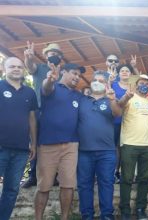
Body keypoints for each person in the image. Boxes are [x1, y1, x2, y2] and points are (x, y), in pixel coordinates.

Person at [34, 63, 85, 220]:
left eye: (79, 75)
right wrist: (49, 79)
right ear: (63, 72)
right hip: (48, 144)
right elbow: (46, 88)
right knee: (44, 186)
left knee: (68, 185)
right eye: (74, 73)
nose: (77, 77)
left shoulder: (79, 95)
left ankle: (64, 218)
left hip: (71, 145)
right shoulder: (53, 87)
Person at [77, 71, 122, 220]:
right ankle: (87, 215)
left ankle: (107, 215)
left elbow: (117, 113)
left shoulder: (110, 99)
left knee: (106, 184)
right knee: (84, 185)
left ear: (106, 83)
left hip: (107, 151)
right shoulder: (81, 99)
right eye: (95, 79)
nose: (97, 82)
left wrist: (112, 99)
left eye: (101, 80)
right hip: (83, 151)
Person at [0, 57, 38, 220]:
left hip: (21, 150)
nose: (16, 69)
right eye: (12, 66)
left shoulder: (30, 92)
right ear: (4, 69)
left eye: (19, 67)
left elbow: (31, 119)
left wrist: (34, 144)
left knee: (12, 190)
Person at [23, 42, 64, 188]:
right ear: (46, 56)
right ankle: (32, 176)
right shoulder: (39, 67)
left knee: (53, 145)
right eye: (51, 53)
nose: (54, 55)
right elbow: (30, 67)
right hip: (38, 111)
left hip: (57, 113)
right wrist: (29, 57)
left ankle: (53, 176)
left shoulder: (64, 72)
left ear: (61, 57)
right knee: (34, 143)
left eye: (57, 54)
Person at [117, 74, 148, 220]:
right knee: (126, 178)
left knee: (144, 178)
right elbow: (119, 106)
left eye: (147, 83)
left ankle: (141, 209)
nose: (145, 85)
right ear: (136, 84)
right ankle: (125, 211)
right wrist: (126, 97)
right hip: (129, 144)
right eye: (142, 83)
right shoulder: (129, 98)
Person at [110, 64, 135, 183]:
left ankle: (123, 173)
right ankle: (114, 172)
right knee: (114, 147)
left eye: (127, 70)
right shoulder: (113, 85)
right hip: (115, 121)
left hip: (130, 122)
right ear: (119, 73)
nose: (125, 72)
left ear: (130, 74)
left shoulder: (133, 86)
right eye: (122, 71)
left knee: (125, 147)